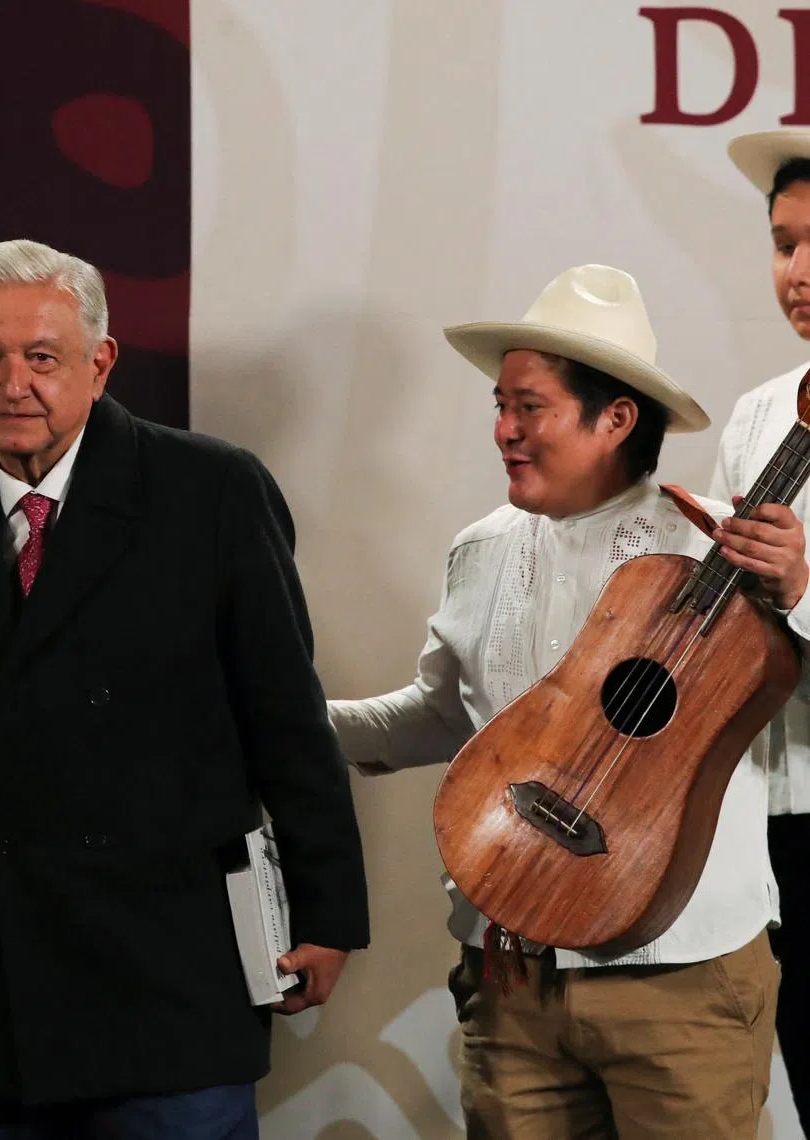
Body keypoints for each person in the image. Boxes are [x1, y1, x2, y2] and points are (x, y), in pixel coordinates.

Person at [0, 238, 370, 1139]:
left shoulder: (211, 489)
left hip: (173, 976)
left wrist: (328, 912)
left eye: (42, 357)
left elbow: (286, 721)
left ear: (100, 365)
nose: (12, 384)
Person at [328, 263, 799, 1139]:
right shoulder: (479, 550)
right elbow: (447, 717)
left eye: (529, 407)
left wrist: (799, 591)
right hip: (513, 984)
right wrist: (292, 721)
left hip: (682, 981)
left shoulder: (728, 552)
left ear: (615, 419)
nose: (503, 429)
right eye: (499, 405)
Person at [711, 128, 810, 1135]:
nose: (798, 272)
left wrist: (802, 590)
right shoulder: (757, 414)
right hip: (768, 822)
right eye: (784, 244)